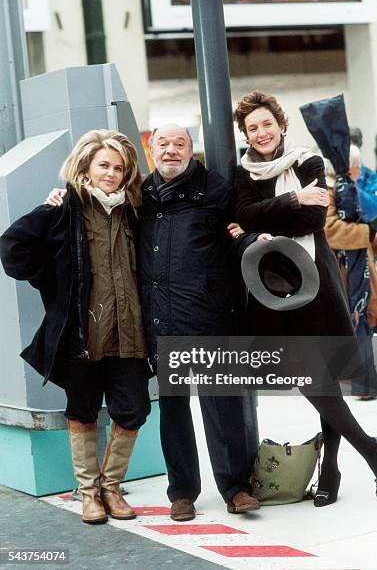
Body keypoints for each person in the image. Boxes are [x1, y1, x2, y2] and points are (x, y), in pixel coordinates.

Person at [44, 124, 260, 522]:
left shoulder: (214, 190)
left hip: (208, 317)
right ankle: (182, 493)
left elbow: (237, 231)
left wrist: (248, 236)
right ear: (151, 151)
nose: (171, 151)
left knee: (222, 406)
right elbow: (94, 210)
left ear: (191, 151)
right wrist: (62, 196)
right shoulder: (138, 195)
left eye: (180, 144)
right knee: (174, 411)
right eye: (164, 144)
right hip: (160, 321)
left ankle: (237, 487)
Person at [232, 90, 377, 507]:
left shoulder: (307, 160)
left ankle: (333, 468)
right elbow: (245, 215)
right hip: (270, 284)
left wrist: (269, 212)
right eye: (252, 128)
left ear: (281, 124)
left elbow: (312, 219)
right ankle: (368, 448)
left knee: (319, 375)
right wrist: (292, 199)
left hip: (314, 280)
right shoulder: (242, 173)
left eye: (267, 123)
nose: (261, 132)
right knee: (310, 377)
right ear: (246, 135)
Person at [0, 130, 152, 525]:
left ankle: (111, 487)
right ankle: (89, 494)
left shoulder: (134, 209)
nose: (111, 174)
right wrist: (54, 284)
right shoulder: (63, 208)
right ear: (86, 166)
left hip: (129, 332)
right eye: (104, 165)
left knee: (132, 409)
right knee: (82, 410)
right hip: (82, 336)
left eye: (119, 168)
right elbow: (12, 248)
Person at [325, 147, 377, 399]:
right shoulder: (327, 193)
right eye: (357, 167)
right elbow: (330, 229)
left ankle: (367, 380)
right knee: (354, 324)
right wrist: (371, 236)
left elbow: (364, 233)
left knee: (365, 326)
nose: (360, 172)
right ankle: (357, 380)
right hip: (345, 276)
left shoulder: (346, 193)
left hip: (362, 273)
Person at [349, 126, 377, 223]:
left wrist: (353, 186)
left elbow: (375, 207)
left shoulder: (369, 176)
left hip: (361, 232)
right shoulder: (331, 173)